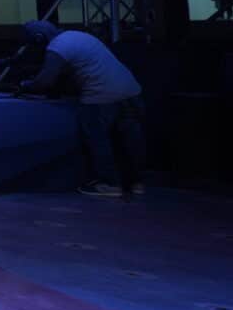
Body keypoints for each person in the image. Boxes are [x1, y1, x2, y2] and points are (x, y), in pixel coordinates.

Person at [19, 20, 146, 197]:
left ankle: (109, 184)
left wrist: (25, 85)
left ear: (39, 38)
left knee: (98, 140)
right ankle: (136, 183)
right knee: (129, 141)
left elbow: (44, 81)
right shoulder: (79, 36)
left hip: (101, 96)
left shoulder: (57, 47)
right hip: (131, 91)